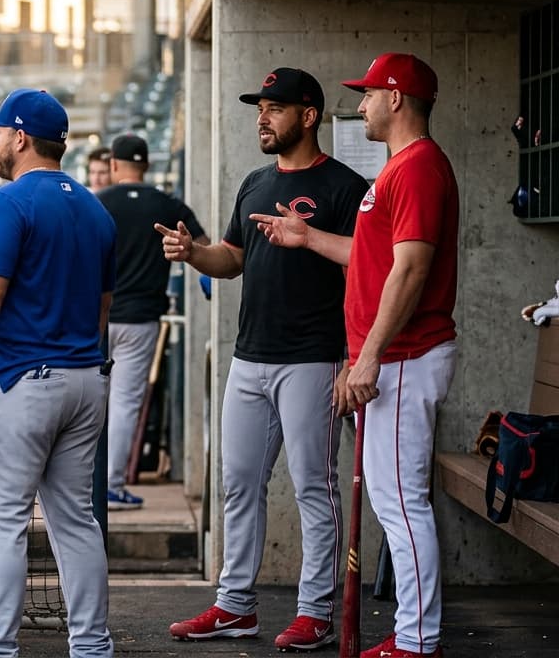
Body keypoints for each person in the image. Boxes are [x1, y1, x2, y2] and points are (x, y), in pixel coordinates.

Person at [251, 53, 457, 658]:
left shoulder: (417, 167)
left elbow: (412, 270)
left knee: (401, 503)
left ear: (396, 99)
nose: (361, 104)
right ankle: (417, 634)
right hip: (391, 356)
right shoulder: (400, 168)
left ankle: (420, 640)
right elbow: (377, 261)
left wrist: (366, 357)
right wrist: (307, 235)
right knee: (397, 501)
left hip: (404, 356)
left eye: (368, 94)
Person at [158, 67, 368, 651]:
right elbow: (231, 259)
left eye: (275, 108)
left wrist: (354, 358)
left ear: (308, 115)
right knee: (239, 485)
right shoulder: (253, 182)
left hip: (315, 358)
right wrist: (193, 253)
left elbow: (366, 271)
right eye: (259, 107)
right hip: (250, 358)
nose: (262, 116)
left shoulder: (346, 188)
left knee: (313, 487)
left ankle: (315, 612)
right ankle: (235, 606)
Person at [0, 88, 117, 658]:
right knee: (76, 523)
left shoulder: (7, 203)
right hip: (86, 380)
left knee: (0, 523)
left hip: (22, 383)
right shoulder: (95, 208)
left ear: (21, 138)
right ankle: (92, 647)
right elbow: (103, 307)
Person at [96, 133, 207, 510]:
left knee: (89, 401)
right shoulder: (166, 203)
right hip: (141, 319)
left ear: (113, 164)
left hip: (96, 318)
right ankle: (110, 486)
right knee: (124, 403)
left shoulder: (98, 203)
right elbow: (204, 249)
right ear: (146, 165)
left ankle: (86, 488)